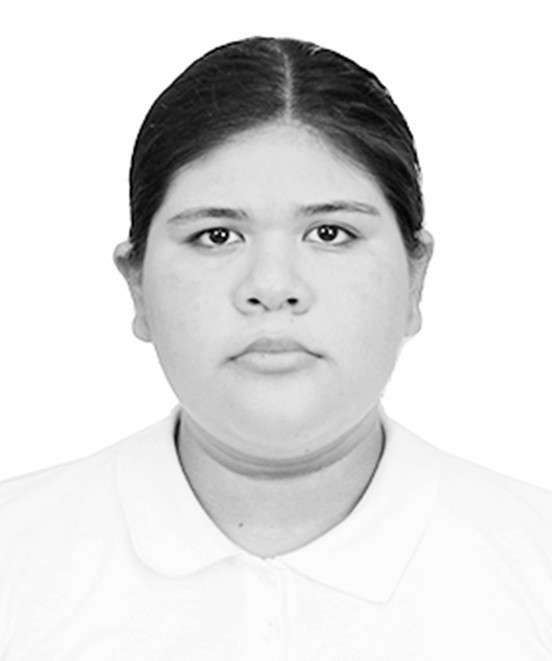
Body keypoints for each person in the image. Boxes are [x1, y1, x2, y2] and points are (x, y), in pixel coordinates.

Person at [0, 36, 551, 660]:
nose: (271, 286)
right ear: (137, 285)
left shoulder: (537, 568)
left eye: (330, 233)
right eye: (216, 235)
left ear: (415, 277)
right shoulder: (16, 560)